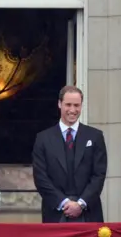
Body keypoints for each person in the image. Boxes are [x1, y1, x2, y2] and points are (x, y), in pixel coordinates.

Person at [32, 85, 107, 223]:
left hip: (89, 213)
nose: (72, 110)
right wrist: (64, 202)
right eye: (68, 105)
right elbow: (40, 177)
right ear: (59, 104)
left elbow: (99, 175)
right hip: (55, 213)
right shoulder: (43, 138)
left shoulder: (95, 136)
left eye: (77, 105)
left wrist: (81, 204)